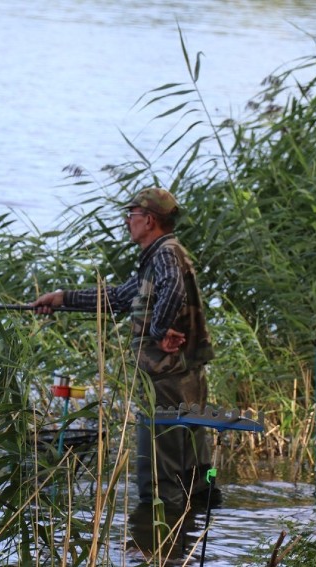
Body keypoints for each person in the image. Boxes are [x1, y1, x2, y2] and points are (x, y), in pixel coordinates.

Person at [32, 187, 216, 508]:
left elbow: (173, 289)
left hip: (167, 383)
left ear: (149, 220)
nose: (127, 222)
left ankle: (161, 551)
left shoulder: (165, 254)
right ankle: (191, 543)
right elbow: (117, 297)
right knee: (191, 474)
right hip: (181, 379)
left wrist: (159, 331)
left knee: (160, 477)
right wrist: (62, 298)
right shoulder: (159, 257)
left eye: (131, 216)